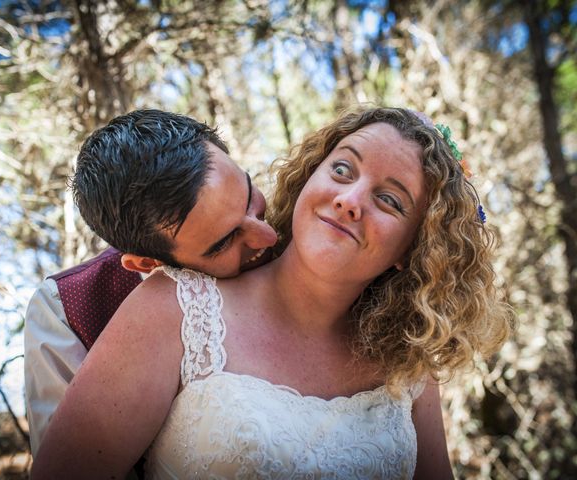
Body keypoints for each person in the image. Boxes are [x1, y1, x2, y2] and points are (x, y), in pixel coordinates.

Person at [31, 107, 513, 479]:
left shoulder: (408, 364)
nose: (349, 199)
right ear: (308, 179)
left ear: (412, 249)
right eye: (343, 170)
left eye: (389, 200)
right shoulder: (169, 309)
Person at [24, 109, 277, 457]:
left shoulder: (310, 223)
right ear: (147, 263)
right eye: (223, 242)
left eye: (250, 195)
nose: (269, 236)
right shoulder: (65, 310)